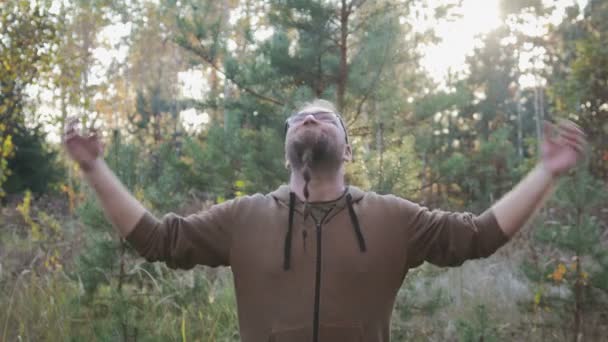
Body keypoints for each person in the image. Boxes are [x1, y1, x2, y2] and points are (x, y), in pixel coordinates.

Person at [63, 99, 586, 342]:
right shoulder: (243, 217)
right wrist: (94, 167)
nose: (310, 118)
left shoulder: (392, 217)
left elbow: (478, 236)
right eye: (299, 118)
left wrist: (545, 171)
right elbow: (159, 240)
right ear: (285, 148)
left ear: (347, 147)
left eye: (325, 116)